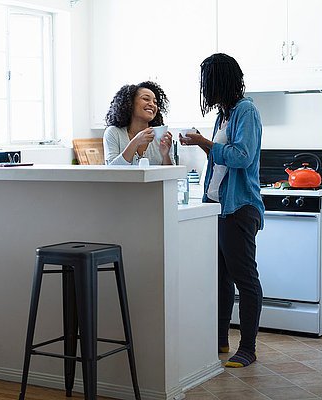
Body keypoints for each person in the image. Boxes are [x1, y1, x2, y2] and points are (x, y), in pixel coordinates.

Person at [179, 53, 264, 368]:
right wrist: (200, 144)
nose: (206, 89)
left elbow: (242, 156)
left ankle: (249, 348)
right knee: (220, 278)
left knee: (245, 279)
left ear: (223, 81)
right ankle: (219, 340)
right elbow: (219, 159)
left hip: (239, 208)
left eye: (209, 82)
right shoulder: (224, 115)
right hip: (216, 207)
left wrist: (204, 141)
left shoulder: (246, 112)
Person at [103, 81, 174, 165]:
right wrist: (136, 142)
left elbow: (172, 176)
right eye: (146, 99)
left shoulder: (161, 136)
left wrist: (165, 155)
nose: (152, 104)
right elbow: (111, 172)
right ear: (130, 103)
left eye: (155, 102)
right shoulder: (113, 132)